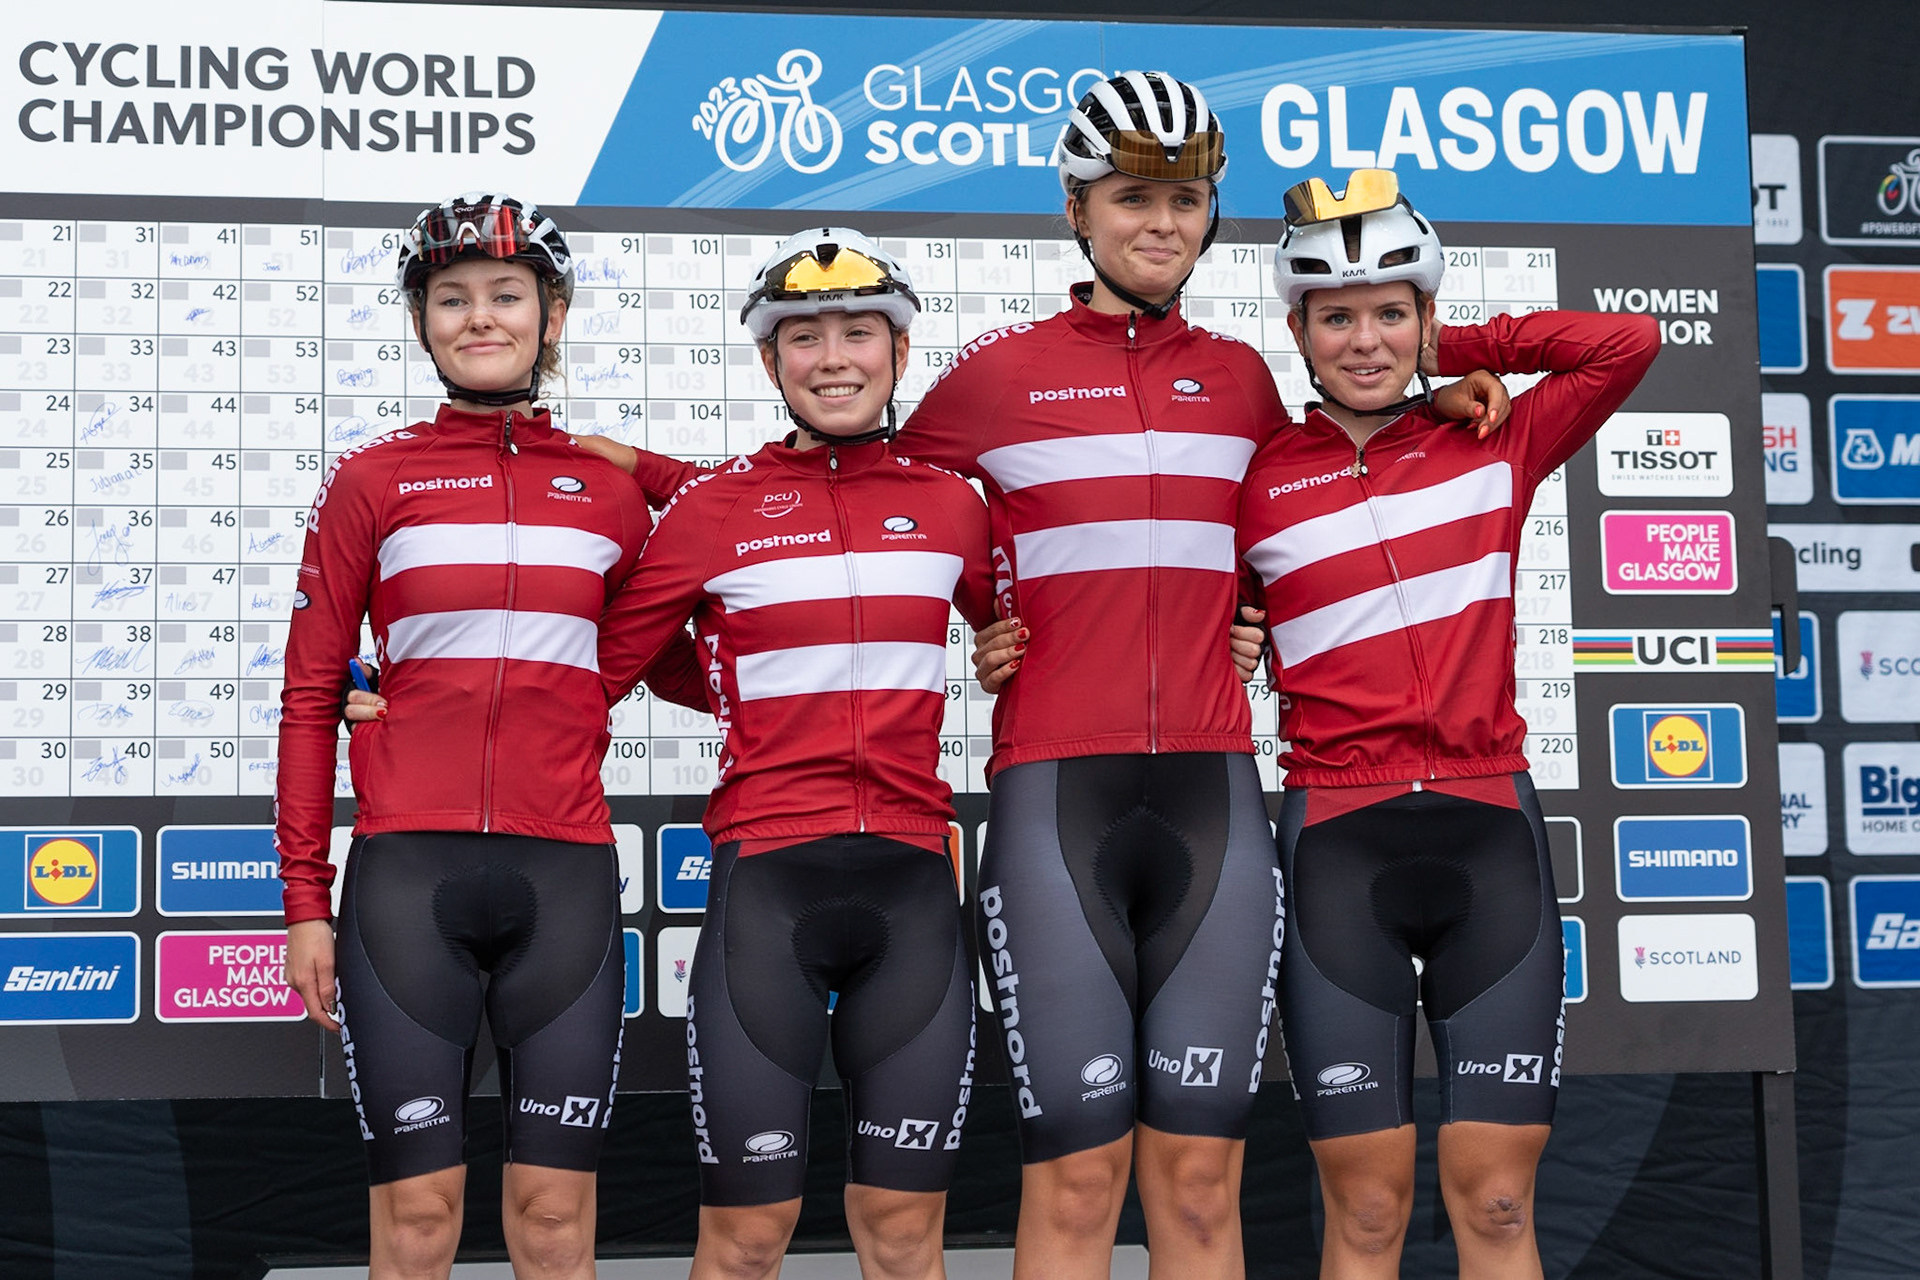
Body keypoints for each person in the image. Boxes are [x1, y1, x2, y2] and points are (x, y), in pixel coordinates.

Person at [902, 75, 1504, 1278]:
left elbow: (1313, 502)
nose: (1161, 223)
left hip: (1213, 792)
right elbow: (884, 512)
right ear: (1076, 210)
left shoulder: (1241, 378)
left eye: (1185, 199)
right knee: (1078, 1176)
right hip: (1056, 792)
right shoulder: (996, 375)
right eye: (1133, 198)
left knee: (1196, 1178)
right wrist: (981, 616)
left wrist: (1436, 395)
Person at [276, 191, 710, 1280]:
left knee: (556, 1221)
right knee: (418, 1219)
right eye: (452, 297)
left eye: (507, 295)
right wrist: (304, 902)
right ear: (423, 321)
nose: (480, 317)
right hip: (404, 879)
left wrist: (829, 661)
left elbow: (684, 659)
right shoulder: (372, 479)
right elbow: (310, 694)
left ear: (550, 316)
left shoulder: (610, 493)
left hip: (563, 875)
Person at [1239, 169, 1659, 1278]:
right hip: (1337, 836)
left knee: (1501, 1201)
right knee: (1367, 1208)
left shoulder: (1493, 439)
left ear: (1424, 315)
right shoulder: (1255, 475)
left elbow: (1625, 342)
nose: (1364, 340)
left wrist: (1450, 352)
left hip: (1489, 827)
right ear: (1299, 330)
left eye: (1391, 312)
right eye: (1336, 317)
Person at [586, 228, 996, 1280]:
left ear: (900, 352)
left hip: (912, 887)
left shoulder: (952, 503)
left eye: (859, 332)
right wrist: (401, 699)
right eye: (805, 337)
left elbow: (1033, 636)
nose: (834, 357)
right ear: (772, 362)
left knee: (903, 1234)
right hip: (767, 885)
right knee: (746, 1239)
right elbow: (595, 669)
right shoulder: (711, 508)